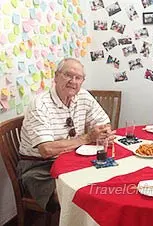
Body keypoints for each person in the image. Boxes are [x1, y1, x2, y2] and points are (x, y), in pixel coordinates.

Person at [17, 58, 115, 212]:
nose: (73, 81)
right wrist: (88, 138)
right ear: (56, 76)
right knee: (80, 193)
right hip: (39, 167)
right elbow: (46, 150)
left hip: (72, 158)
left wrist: (104, 132)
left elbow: (104, 124)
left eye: (78, 78)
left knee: (108, 178)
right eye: (68, 75)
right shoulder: (40, 105)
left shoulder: (84, 96)